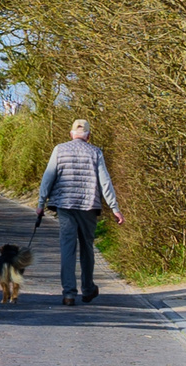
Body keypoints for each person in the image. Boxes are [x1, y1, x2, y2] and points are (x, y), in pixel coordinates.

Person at [36, 118, 124, 305]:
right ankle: (88, 289)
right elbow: (105, 182)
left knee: (67, 249)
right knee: (87, 248)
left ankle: (69, 293)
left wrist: (41, 203)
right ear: (89, 136)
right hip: (88, 207)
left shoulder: (59, 150)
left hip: (65, 206)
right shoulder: (95, 152)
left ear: (71, 134)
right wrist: (114, 207)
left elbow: (48, 176)